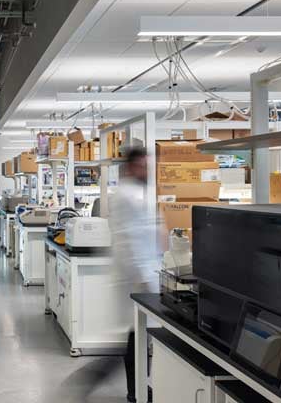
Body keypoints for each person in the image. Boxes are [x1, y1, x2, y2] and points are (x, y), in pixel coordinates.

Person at [107, 148, 160, 403]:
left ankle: (138, 388)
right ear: (130, 167)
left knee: (137, 335)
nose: (147, 170)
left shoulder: (135, 194)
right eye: (142, 165)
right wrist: (144, 277)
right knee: (136, 336)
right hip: (136, 277)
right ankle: (136, 390)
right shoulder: (127, 196)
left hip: (140, 274)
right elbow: (130, 240)